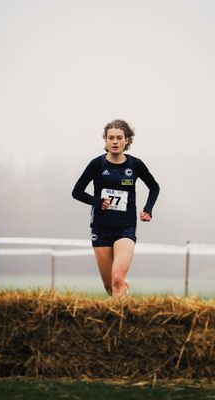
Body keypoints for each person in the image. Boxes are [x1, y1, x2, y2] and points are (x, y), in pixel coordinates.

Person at [72, 119, 160, 297]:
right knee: (110, 287)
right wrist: (97, 201)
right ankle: (123, 294)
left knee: (117, 279)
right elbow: (77, 192)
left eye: (119, 138)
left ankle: (120, 322)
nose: (115, 141)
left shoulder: (135, 165)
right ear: (105, 139)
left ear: (126, 140)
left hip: (125, 228)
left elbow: (154, 187)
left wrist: (148, 209)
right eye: (111, 137)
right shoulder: (97, 164)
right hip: (101, 228)